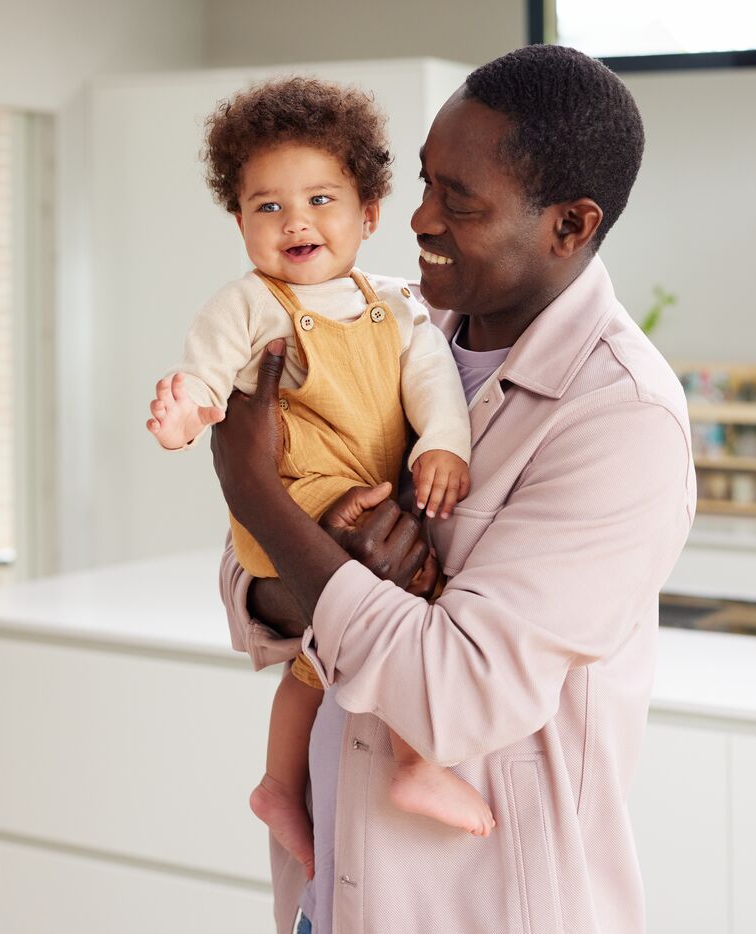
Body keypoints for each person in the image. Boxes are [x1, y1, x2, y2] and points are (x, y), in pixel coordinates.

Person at [212, 45, 696, 934]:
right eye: (426, 183)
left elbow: (457, 694)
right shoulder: (395, 327)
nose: (420, 219)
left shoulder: (621, 418)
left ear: (570, 225)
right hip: (329, 893)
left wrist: (259, 496)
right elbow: (251, 589)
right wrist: (320, 554)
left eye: (459, 202)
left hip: (478, 909)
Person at [146, 77, 495, 883]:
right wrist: (185, 411)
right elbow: (206, 376)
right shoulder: (250, 306)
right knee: (407, 592)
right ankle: (417, 759)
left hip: (365, 494)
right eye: (266, 207)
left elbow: (433, 386)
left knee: (320, 651)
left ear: (369, 214)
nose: (294, 221)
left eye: (320, 199)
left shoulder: (400, 307)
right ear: (238, 223)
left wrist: (443, 443)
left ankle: (277, 786)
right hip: (299, 495)